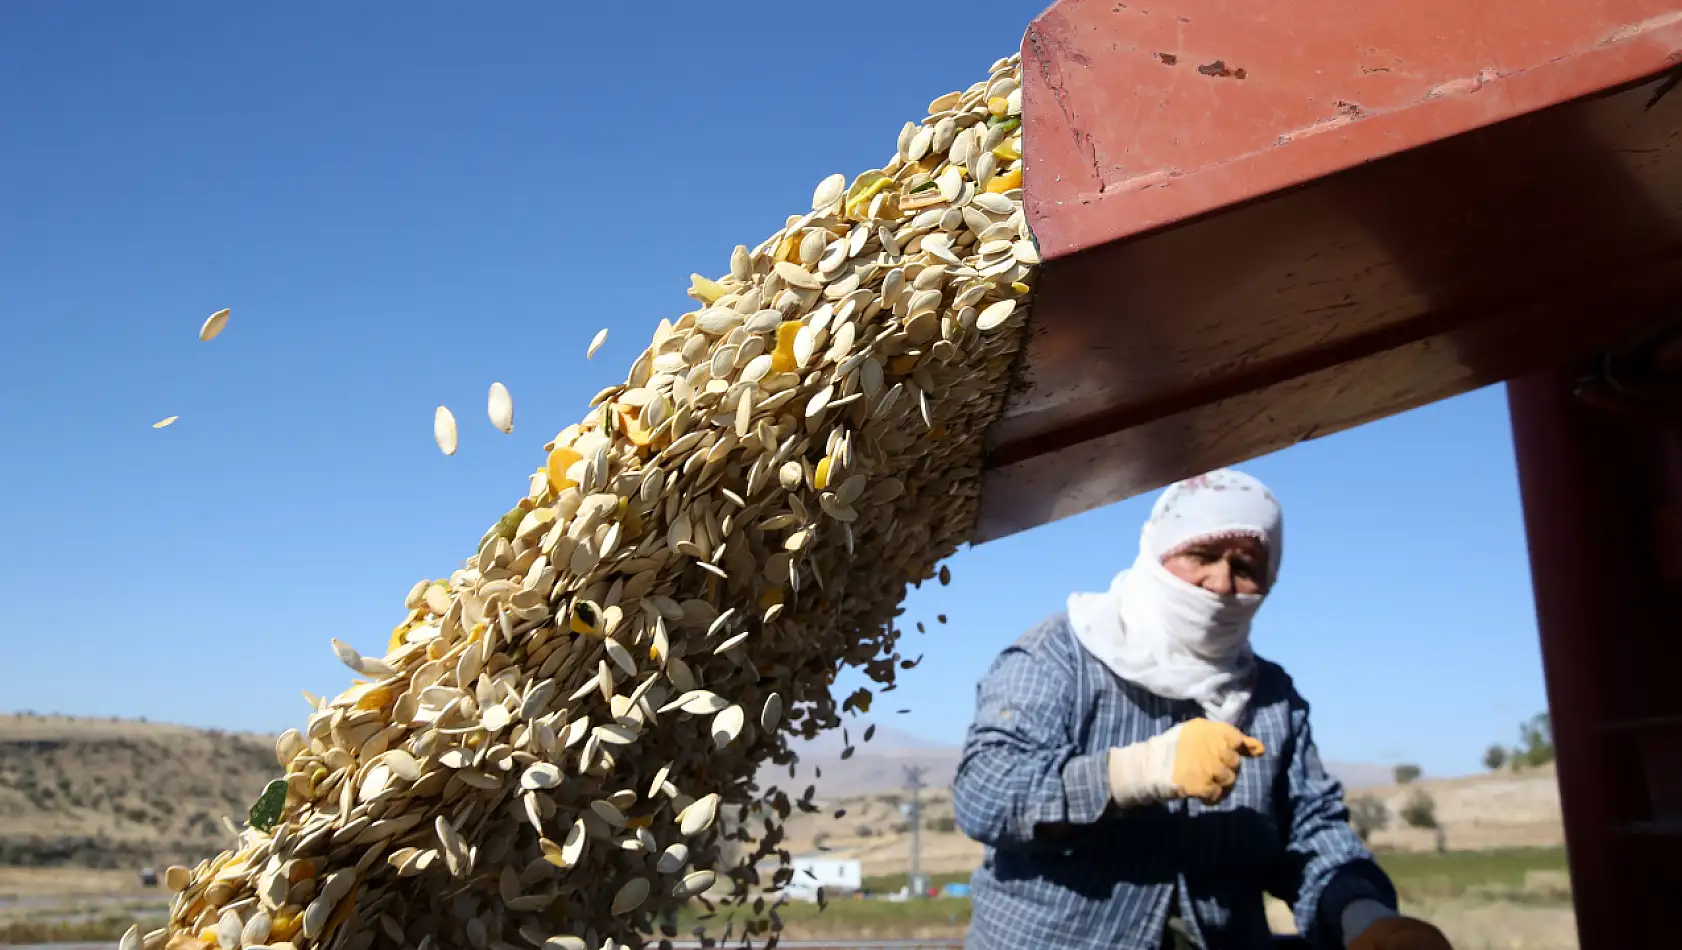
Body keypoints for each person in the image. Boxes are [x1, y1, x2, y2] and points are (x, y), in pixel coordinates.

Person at [953, 470, 1452, 950]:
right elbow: (987, 792)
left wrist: (1365, 918)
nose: (1221, 583)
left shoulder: (1271, 697)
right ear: (1156, 552)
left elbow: (1310, 832)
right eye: (1202, 554)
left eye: (1246, 567)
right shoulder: (1061, 653)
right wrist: (1135, 772)